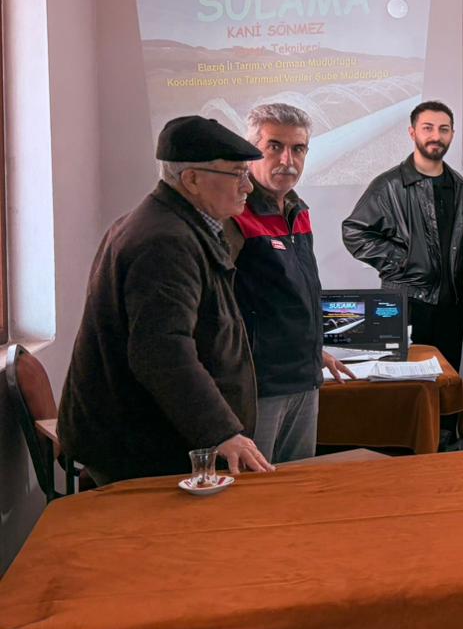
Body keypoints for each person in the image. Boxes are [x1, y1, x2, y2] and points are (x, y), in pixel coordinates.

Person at [60, 116, 272, 485]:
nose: (248, 186)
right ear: (191, 179)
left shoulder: (167, 223)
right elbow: (161, 351)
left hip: (147, 437)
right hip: (143, 448)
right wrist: (221, 431)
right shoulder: (166, 242)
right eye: (237, 174)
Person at [230, 102, 355, 465]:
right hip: (258, 386)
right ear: (252, 150)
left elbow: (294, 296)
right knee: (255, 488)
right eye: (275, 146)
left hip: (304, 376)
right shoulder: (234, 213)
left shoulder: (298, 210)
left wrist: (315, 352)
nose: (288, 160)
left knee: (298, 482)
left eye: (298, 149)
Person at [342, 101, 463, 371]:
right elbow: (354, 231)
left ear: (452, 134)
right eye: (428, 128)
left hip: (451, 307)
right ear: (412, 132)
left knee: (446, 384)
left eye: (444, 129)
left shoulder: (460, 187)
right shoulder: (389, 185)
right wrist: (403, 260)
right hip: (404, 304)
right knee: (402, 384)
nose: (436, 136)